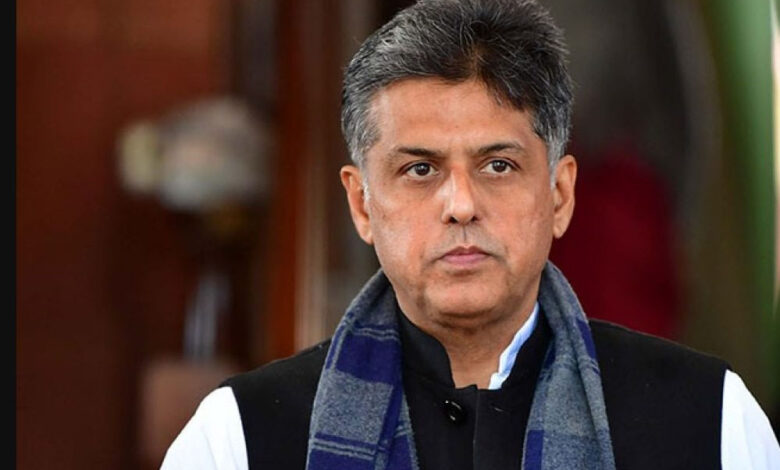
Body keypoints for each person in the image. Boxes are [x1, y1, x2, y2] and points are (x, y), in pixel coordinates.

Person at [161, 1, 780, 469]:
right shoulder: (237, 438)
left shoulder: (712, 421)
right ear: (361, 204)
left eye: (498, 166)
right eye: (420, 169)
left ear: (560, 195)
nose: (461, 205)